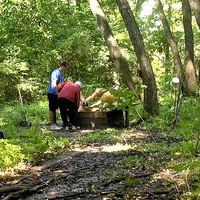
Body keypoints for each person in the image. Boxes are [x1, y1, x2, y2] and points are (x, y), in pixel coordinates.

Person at [47, 61, 69, 130]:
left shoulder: (60, 73)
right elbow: (54, 84)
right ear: (63, 66)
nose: (66, 70)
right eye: (66, 68)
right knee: (52, 108)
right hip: (52, 93)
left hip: (55, 93)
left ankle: (55, 123)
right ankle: (53, 125)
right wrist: (59, 92)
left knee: (55, 108)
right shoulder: (56, 72)